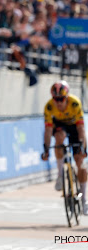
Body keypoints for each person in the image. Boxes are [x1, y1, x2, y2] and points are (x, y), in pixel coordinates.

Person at [41, 80, 88, 215]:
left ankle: (84, 200)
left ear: (66, 97)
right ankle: (60, 174)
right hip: (59, 126)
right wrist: (46, 149)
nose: (59, 102)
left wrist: (83, 148)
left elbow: (81, 129)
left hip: (74, 127)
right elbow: (48, 131)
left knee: (81, 164)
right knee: (59, 137)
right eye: (56, 99)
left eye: (61, 99)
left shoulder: (75, 103)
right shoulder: (49, 107)